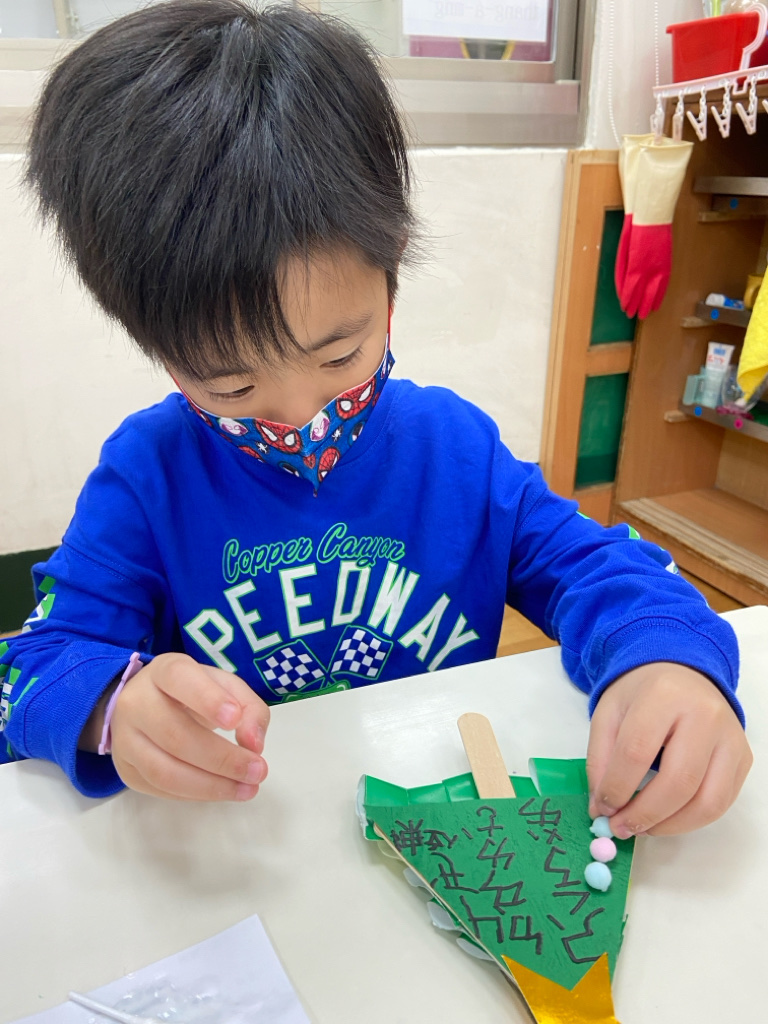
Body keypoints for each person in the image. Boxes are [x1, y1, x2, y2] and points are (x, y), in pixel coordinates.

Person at [0, 1, 751, 839]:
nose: (300, 416)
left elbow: (599, 571)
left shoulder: (454, 450)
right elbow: (34, 667)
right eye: (233, 387)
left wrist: (667, 659)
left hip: (442, 828)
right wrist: (111, 706)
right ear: (160, 353)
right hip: (250, 844)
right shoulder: (147, 480)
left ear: (390, 275)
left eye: (339, 355)